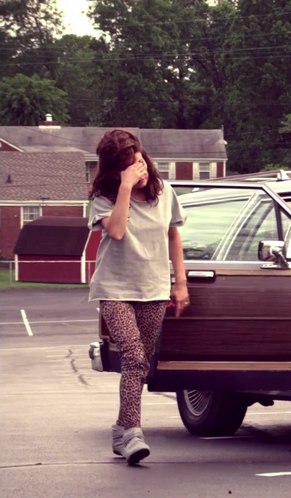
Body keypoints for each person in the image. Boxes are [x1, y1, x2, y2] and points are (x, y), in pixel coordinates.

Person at [88, 129, 188, 465]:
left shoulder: (165, 193)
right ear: (116, 172)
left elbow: (174, 236)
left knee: (140, 364)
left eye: (141, 162)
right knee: (132, 357)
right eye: (130, 167)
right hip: (115, 289)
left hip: (154, 289)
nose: (140, 170)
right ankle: (132, 434)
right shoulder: (104, 198)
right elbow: (116, 231)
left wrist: (180, 284)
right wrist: (126, 187)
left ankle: (121, 431)